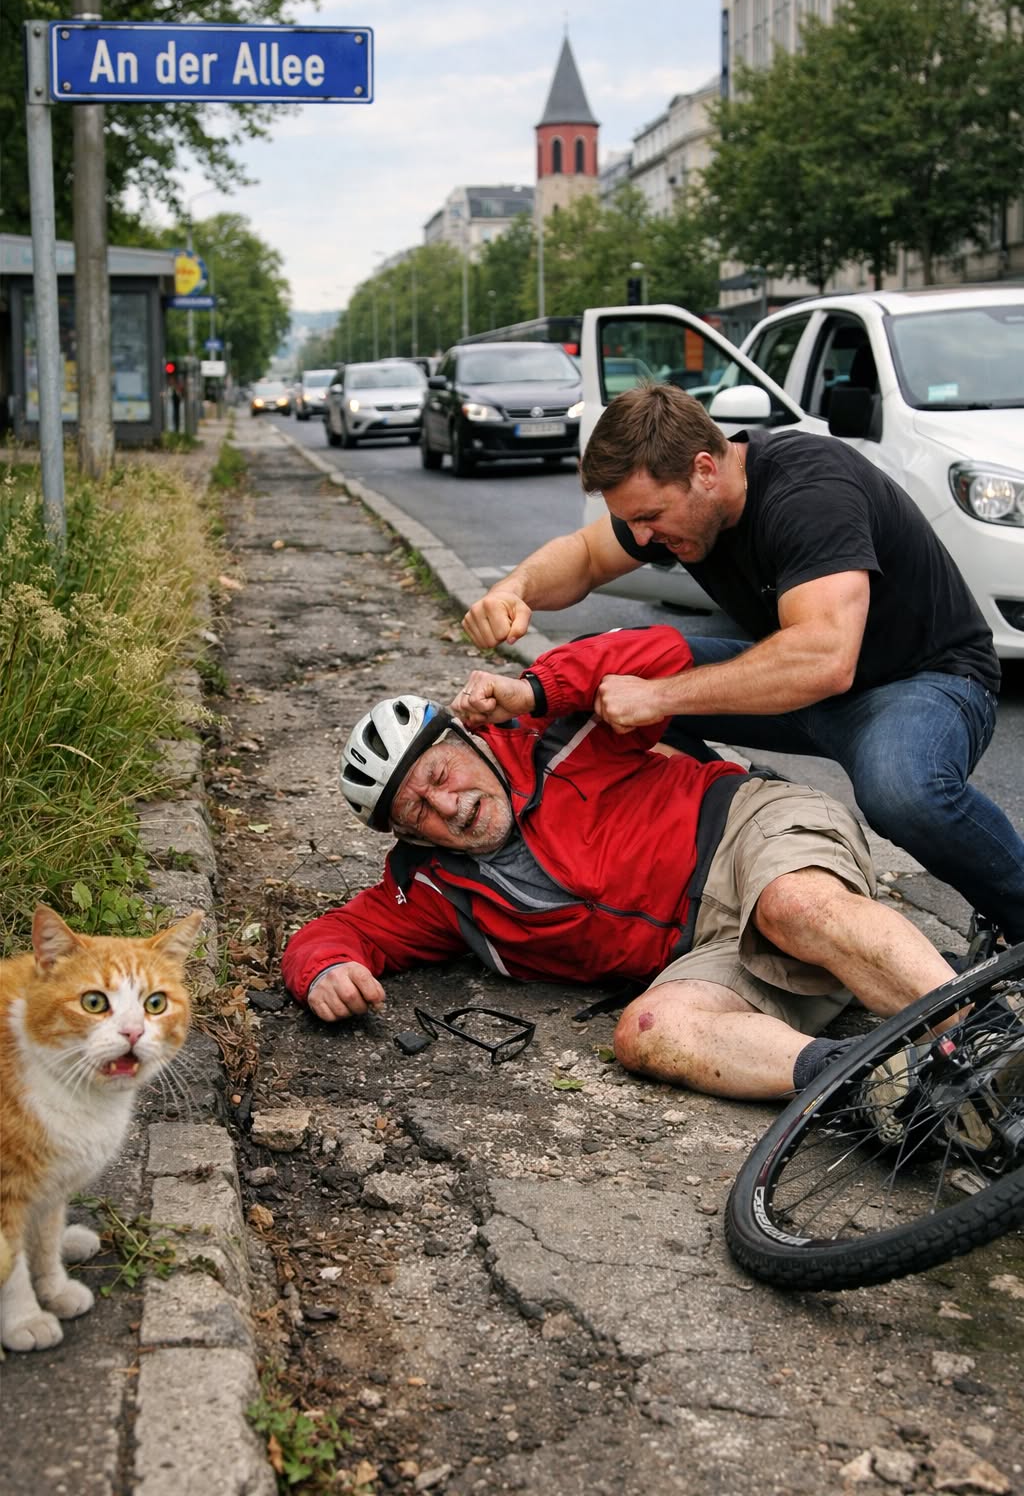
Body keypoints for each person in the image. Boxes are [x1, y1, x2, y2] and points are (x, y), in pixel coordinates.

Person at [282, 627, 958, 1108]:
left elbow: (660, 652)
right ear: (405, 834)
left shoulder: (559, 734)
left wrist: (535, 689)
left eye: (438, 772)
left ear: (466, 738)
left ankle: (978, 1036)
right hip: (708, 953)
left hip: (748, 833)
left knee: (792, 908)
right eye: (415, 810)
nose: (446, 805)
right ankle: (871, 1086)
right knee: (646, 1035)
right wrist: (325, 971)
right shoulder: (435, 890)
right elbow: (338, 934)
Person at [462, 382, 1024, 946]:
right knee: (605, 675)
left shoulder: (809, 490)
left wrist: (659, 697)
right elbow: (584, 556)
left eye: (650, 517)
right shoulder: (680, 502)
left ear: (705, 469)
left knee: (903, 793)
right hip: (809, 687)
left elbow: (825, 657)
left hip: (927, 680)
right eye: (631, 522)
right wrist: (515, 590)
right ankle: (728, 837)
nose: (641, 537)